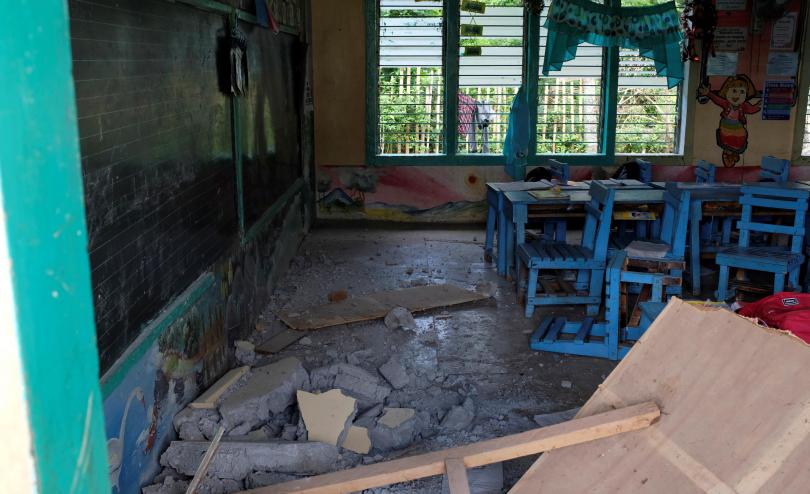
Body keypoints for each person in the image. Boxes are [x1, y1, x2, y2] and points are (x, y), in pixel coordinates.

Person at [698, 75, 761, 168]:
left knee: (740, 138)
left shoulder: (744, 105)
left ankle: (732, 153)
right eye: (734, 91)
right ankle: (729, 153)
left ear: (746, 94)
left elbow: (751, 109)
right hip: (726, 126)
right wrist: (708, 93)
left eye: (742, 92)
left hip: (738, 126)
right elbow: (717, 100)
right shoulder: (726, 103)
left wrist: (758, 106)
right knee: (726, 139)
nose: (737, 95)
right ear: (727, 91)